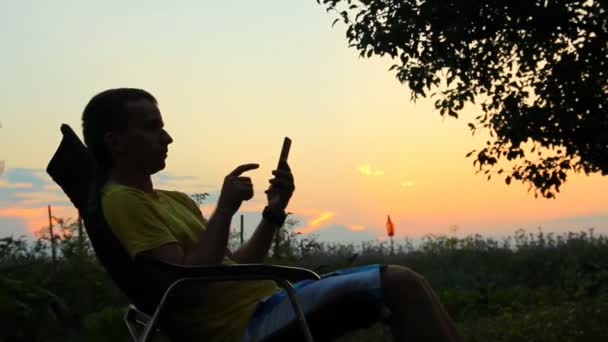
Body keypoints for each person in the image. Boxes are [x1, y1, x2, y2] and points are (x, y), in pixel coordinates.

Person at [82, 88, 464, 342]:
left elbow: (231, 264)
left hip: (273, 302)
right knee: (402, 283)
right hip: (245, 325)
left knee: (409, 285)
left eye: (163, 127)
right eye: (152, 128)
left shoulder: (174, 200)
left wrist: (272, 213)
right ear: (114, 142)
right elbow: (188, 282)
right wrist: (225, 209)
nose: (166, 138)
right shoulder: (123, 201)